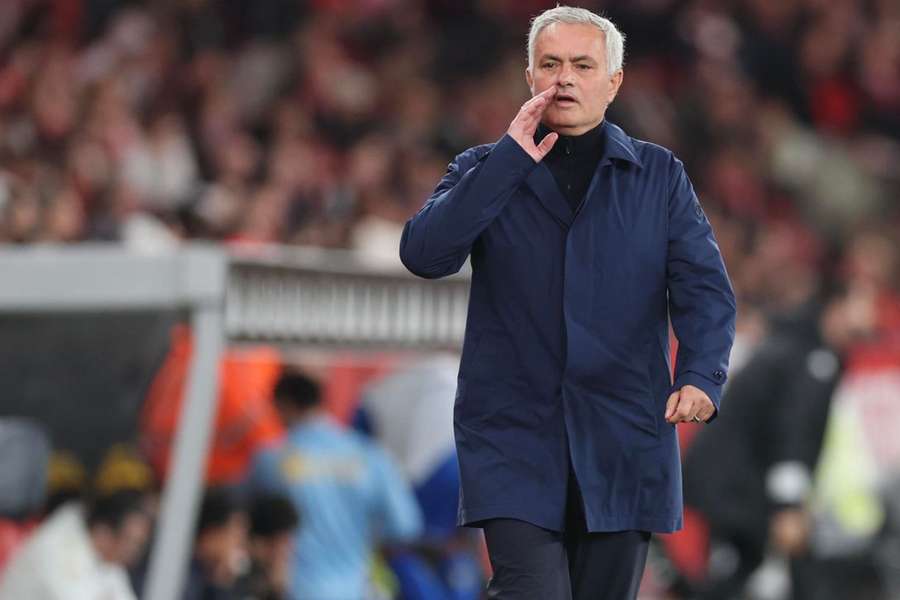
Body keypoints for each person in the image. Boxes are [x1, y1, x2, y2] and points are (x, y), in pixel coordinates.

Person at [399, 6, 736, 599]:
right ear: (529, 76)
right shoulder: (481, 168)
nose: (565, 78)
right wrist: (510, 159)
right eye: (550, 63)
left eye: (583, 64)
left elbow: (703, 287)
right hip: (514, 438)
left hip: (624, 439)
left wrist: (702, 377)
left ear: (614, 81)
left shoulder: (658, 176)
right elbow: (426, 254)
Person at [684, 280, 877, 600]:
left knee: (739, 573)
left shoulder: (796, 347)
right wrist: (788, 506)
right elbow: (792, 437)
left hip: (729, 485)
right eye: (863, 304)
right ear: (837, 307)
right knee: (738, 578)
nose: (871, 315)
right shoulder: (811, 359)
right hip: (734, 489)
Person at [245, 371, 423, 599]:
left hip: (296, 590)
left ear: (284, 405)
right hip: (354, 590)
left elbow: (245, 522)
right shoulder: (370, 456)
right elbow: (405, 527)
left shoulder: (270, 460)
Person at [0, 490, 152, 600]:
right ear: (103, 533)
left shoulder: (108, 560)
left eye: (139, 544)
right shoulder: (56, 547)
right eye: (131, 542)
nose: (135, 550)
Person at [182, 488, 249, 600]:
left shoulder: (203, 576)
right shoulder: (183, 575)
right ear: (211, 534)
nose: (240, 545)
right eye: (236, 536)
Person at [234, 493, 300, 600]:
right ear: (260, 543)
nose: (290, 550)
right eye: (284, 542)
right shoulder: (234, 576)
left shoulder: (266, 580)